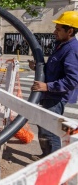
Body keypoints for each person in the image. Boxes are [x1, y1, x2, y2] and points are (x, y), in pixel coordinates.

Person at [28, 11, 78, 160]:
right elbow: (54, 69)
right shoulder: (61, 45)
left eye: (58, 29)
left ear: (70, 31)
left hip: (56, 96)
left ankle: (54, 163)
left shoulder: (72, 50)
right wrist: (37, 67)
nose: (54, 31)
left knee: (50, 130)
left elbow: (72, 80)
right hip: (50, 94)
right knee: (43, 126)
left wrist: (47, 87)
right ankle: (46, 156)